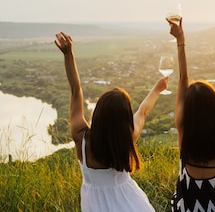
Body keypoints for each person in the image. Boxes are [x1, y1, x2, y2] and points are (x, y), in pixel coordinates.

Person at [55, 31, 168, 212]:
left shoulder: (81, 139)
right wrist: (157, 89)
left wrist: (69, 55)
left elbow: (76, 90)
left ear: (98, 113)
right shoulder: (127, 139)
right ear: (124, 121)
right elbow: (143, 111)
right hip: (132, 205)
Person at [168, 10, 215, 212]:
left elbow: (183, 79)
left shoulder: (184, 126)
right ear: (214, 104)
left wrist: (180, 40)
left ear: (189, 109)